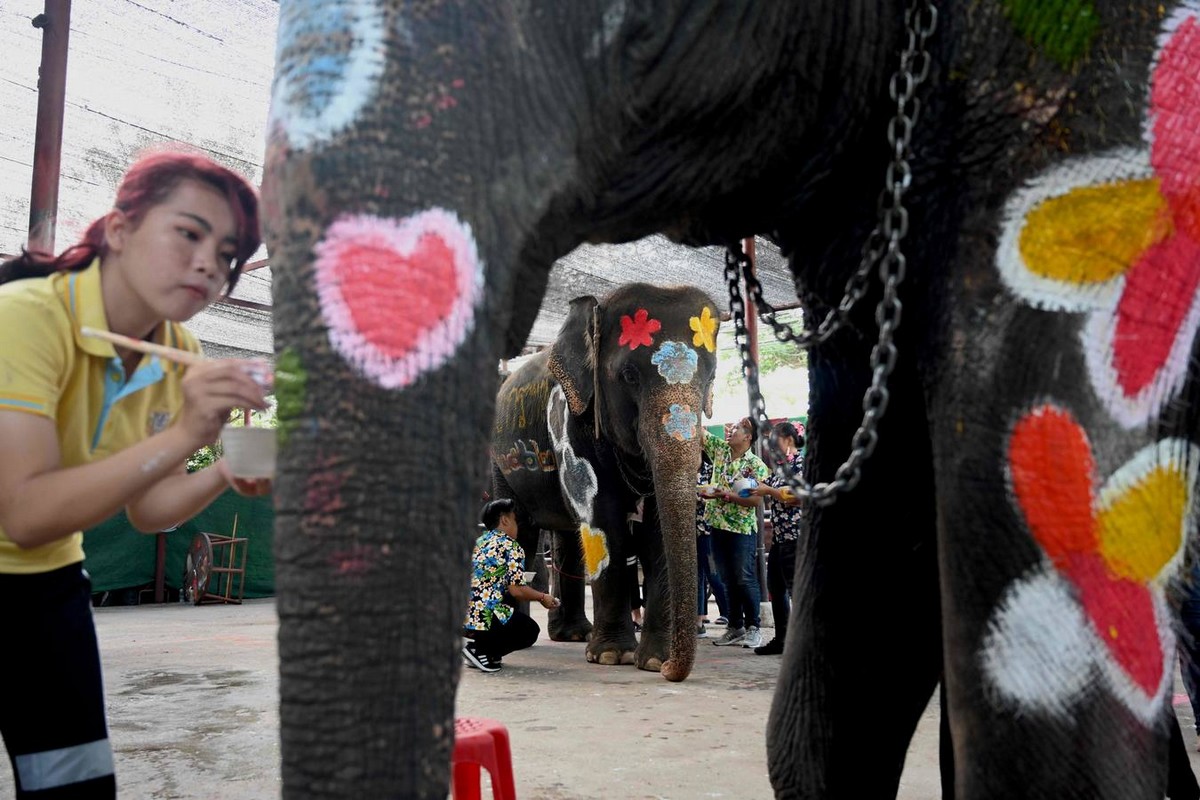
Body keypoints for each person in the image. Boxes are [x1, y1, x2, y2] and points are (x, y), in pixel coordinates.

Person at [0, 150, 269, 798]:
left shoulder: (181, 352)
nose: (212, 264)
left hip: (47, 586)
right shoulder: (27, 315)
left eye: (229, 254)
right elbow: (22, 514)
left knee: (74, 786)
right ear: (119, 230)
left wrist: (223, 468)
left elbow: (150, 511)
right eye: (190, 233)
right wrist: (184, 433)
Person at [463, 498, 560, 672]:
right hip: (482, 614)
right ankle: (479, 651)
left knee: (505, 608)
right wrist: (543, 597)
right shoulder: (510, 545)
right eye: (515, 520)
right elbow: (517, 590)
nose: (518, 525)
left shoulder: (480, 542)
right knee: (528, 630)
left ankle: (483, 652)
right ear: (505, 520)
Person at [703, 417, 769, 648]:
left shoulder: (755, 465)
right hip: (717, 524)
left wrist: (727, 495)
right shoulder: (720, 450)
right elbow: (700, 434)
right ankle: (734, 626)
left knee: (744, 577)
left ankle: (753, 627)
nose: (730, 430)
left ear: (748, 437)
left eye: (737, 429)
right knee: (727, 578)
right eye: (731, 428)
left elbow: (755, 500)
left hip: (741, 529)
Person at [750, 422, 804, 654]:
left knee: (795, 590)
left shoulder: (801, 464)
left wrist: (768, 491)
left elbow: (798, 497)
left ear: (788, 440)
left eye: (775, 440)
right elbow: (764, 487)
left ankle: (802, 642)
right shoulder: (780, 469)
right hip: (781, 539)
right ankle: (782, 639)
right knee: (777, 588)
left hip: (796, 536)